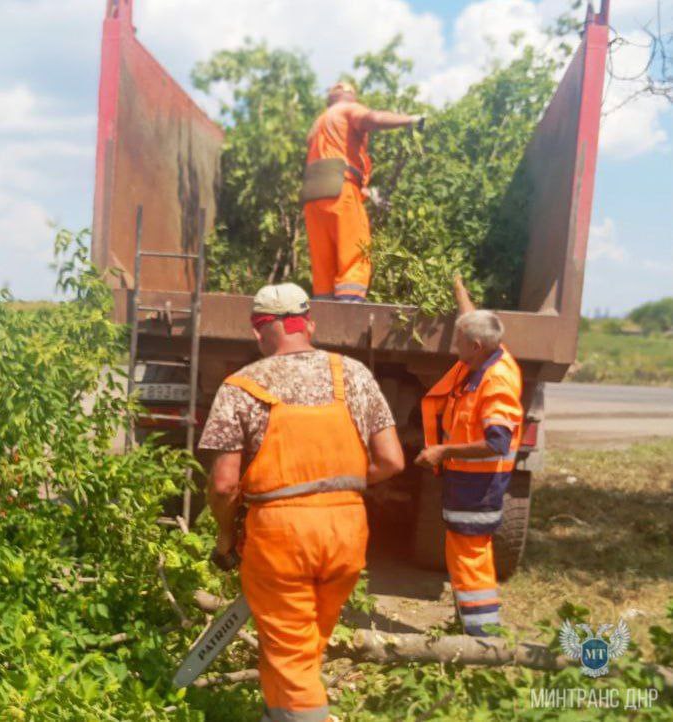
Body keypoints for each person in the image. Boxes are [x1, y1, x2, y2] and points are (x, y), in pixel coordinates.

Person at [198, 282, 405, 722]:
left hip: (280, 537)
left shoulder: (239, 387)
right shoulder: (353, 374)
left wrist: (224, 535)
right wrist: (329, 486)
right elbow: (391, 460)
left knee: (292, 655)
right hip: (347, 532)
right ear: (308, 323)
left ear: (258, 331)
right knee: (303, 646)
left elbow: (223, 486)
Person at [415, 275, 524, 637]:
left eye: (459, 341)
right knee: (465, 555)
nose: (454, 346)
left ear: (476, 346)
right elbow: (472, 318)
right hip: (467, 483)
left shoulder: (496, 382)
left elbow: (497, 442)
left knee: (470, 559)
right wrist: (459, 286)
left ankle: (482, 638)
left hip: (478, 486)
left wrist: (442, 450)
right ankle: (472, 624)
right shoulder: (488, 352)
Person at [301, 81, 424, 303]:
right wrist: (410, 120)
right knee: (355, 251)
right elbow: (374, 119)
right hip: (340, 188)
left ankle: (324, 307)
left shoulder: (318, 124)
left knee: (323, 261)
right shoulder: (347, 110)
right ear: (351, 97)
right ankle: (350, 304)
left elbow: (330, 159)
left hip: (312, 197)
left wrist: (367, 193)